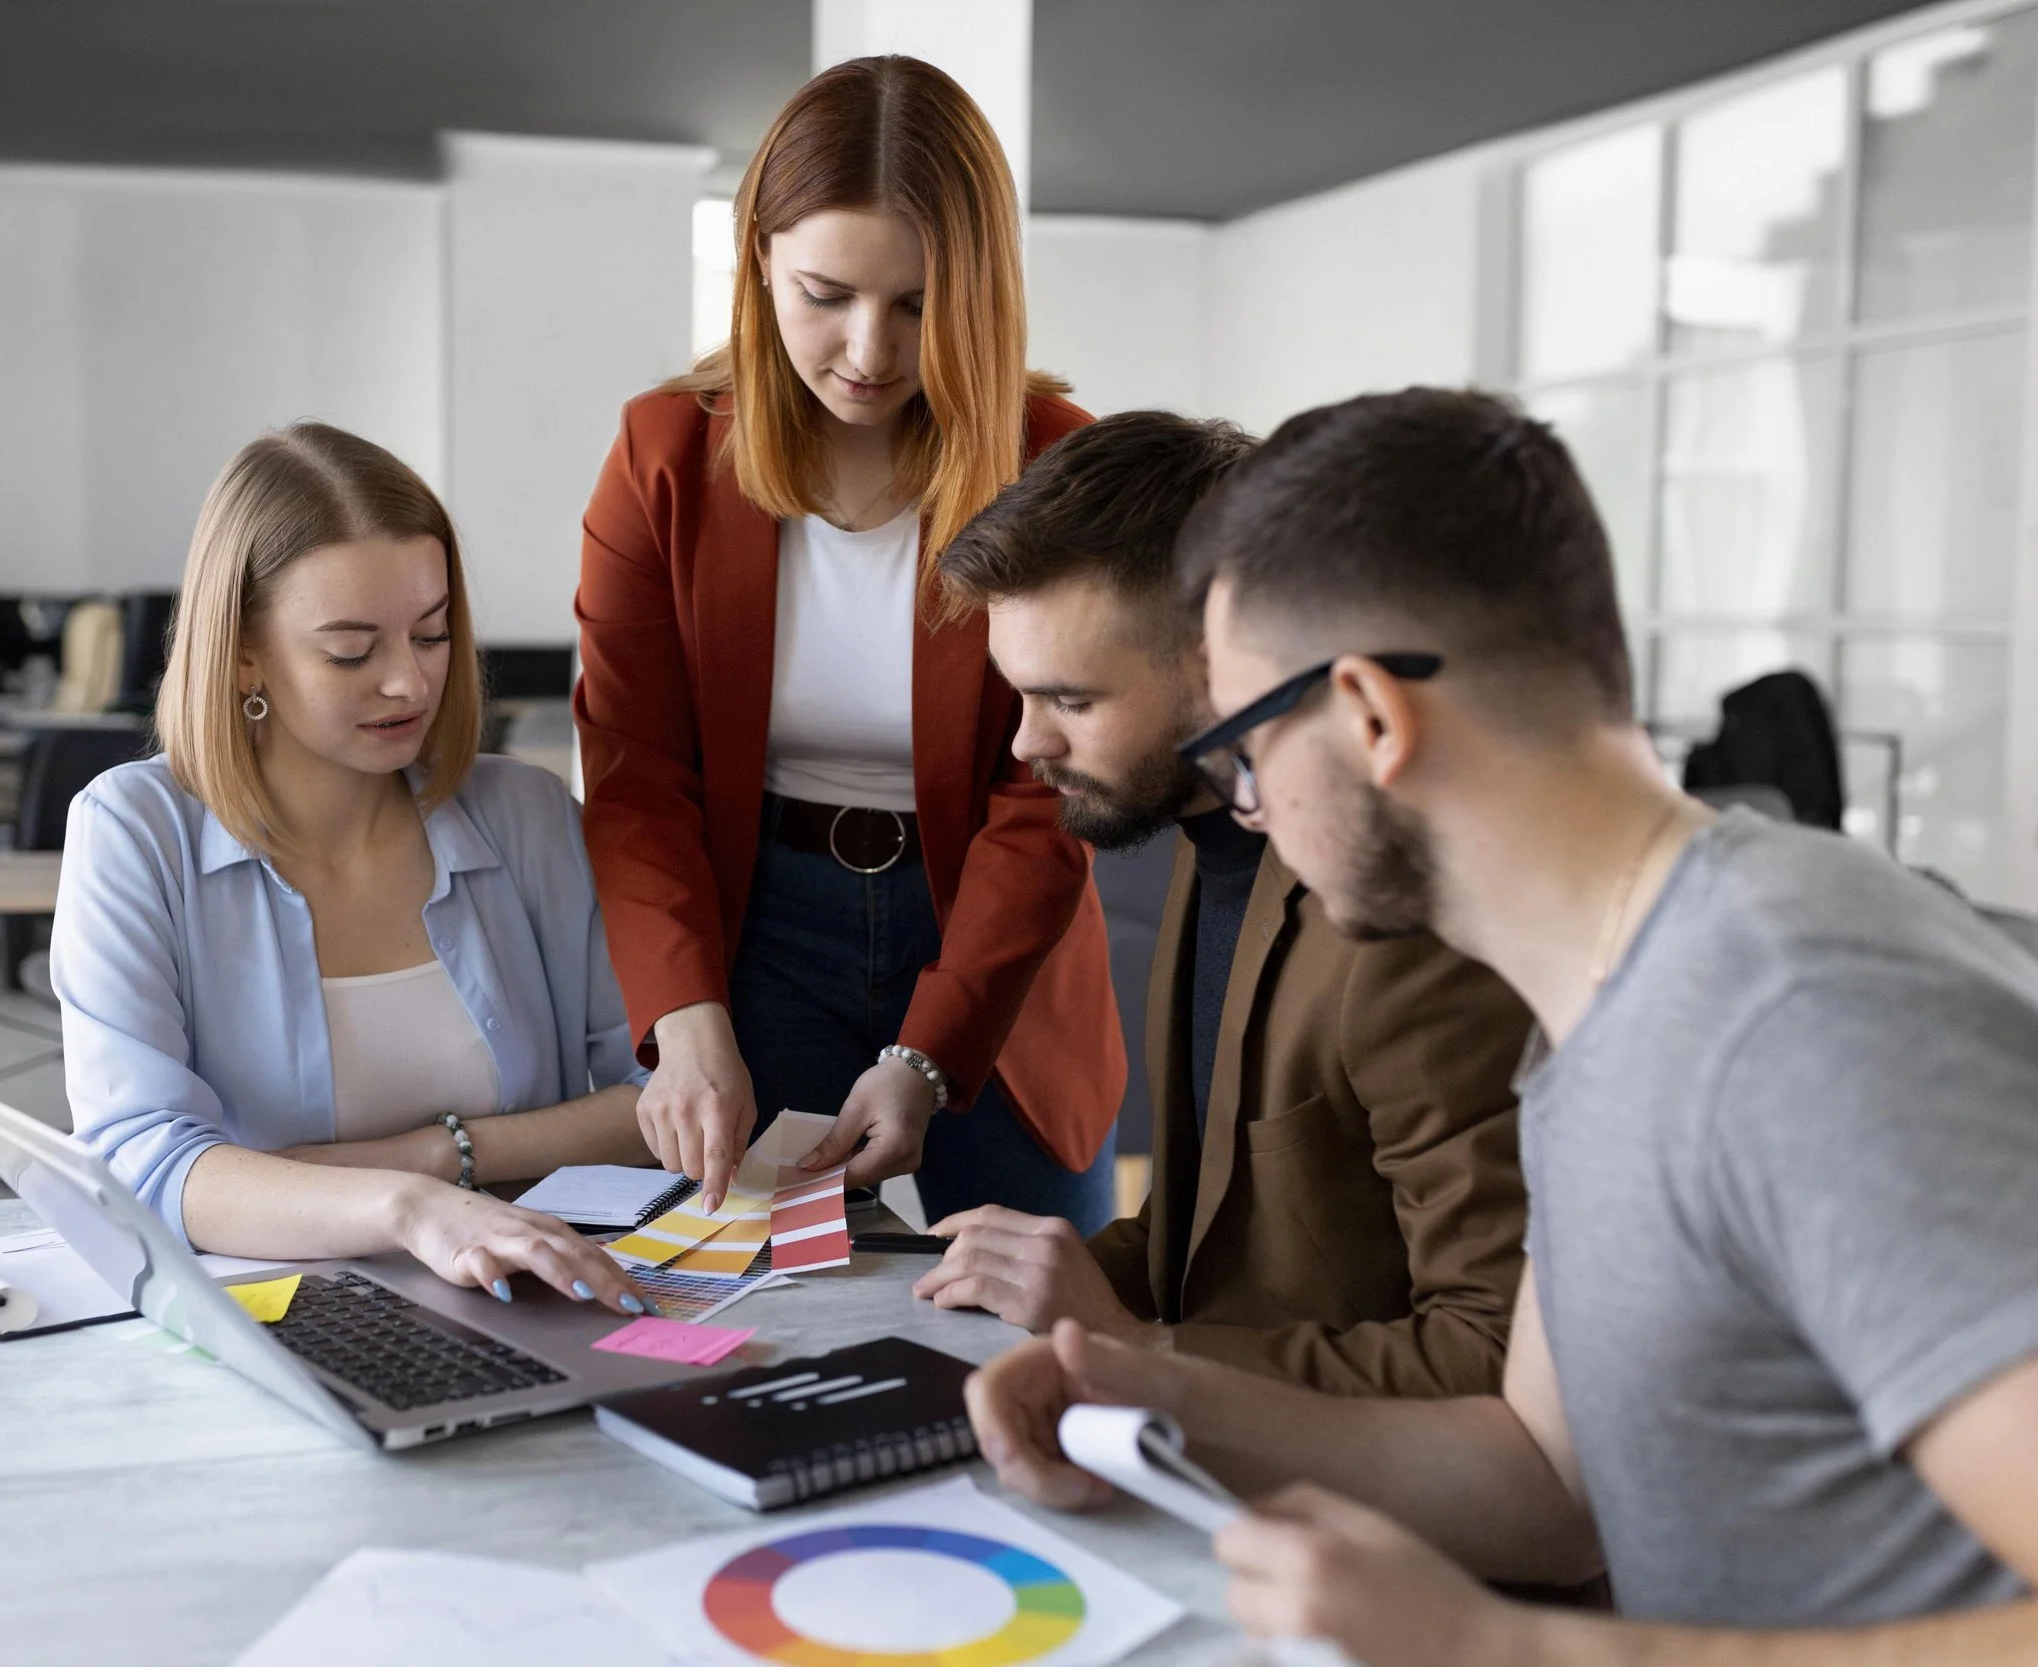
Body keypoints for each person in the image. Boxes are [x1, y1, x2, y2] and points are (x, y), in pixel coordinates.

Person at [965, 389, 2038, 1664]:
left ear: (1369, 717)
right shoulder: (1591, 1000)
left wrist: (1502, 1647)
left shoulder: (1799, 1016)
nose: (1244, 805)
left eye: (1248, 748)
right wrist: (1154, 1388)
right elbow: (1541, 1475)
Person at [576, 55, 1123, 1231]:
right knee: (760, 1336)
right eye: (825, 293)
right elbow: (632, 772)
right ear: (757, 261)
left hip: (999, 955)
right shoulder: (662, 457)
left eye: (918, 304)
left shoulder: (1057, 459)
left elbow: (1047, 791)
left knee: (1045, 1325)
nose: (869, 350)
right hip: (754, 940)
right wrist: (684, 1015)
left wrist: (931, 1052)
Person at [916, 411, 1532, 1396]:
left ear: (1219, 662)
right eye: (1017, 696)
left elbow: (1493, 1360)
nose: (1026, 744)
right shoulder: (1211, 845)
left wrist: (1134, 1349)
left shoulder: (1397, 926)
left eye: (1070, 700)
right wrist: (1037, 1277)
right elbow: (1209, 1231)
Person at [53, 422, 651, 1316]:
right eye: (351, 650)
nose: (409, 684)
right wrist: (408, 1207)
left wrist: (436, 1156)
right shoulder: (134, 831)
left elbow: (660, 1102)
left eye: (433, 633)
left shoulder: (526, 817)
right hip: (271, 1314)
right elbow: (144, 1161)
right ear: (244, 649)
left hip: (526, 1299)